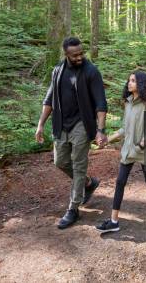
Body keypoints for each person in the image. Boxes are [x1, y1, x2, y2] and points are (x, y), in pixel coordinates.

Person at [35, 37, 109, 229]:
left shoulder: (91, 71)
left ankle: (73, 209)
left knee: (78, 166)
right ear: (66, 54)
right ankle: (88, 183)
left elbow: (101, 103)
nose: (79, 57)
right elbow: (49, 99)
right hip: (61, 124)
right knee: (60, 161)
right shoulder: (58, 70)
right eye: (75, 55)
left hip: (82, 125)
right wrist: (40, 124)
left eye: (81, 53)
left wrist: (101, 130)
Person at [96, 71, 146, 233]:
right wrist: (107, 140)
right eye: (129, 80)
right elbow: (125, 128)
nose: (129, 83)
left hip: (144, 150)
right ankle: (114, 221)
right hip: (128, 150)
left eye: (133, 81)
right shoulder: (129, 102)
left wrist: (139, 147)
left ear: (142, 85)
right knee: (120, 182)